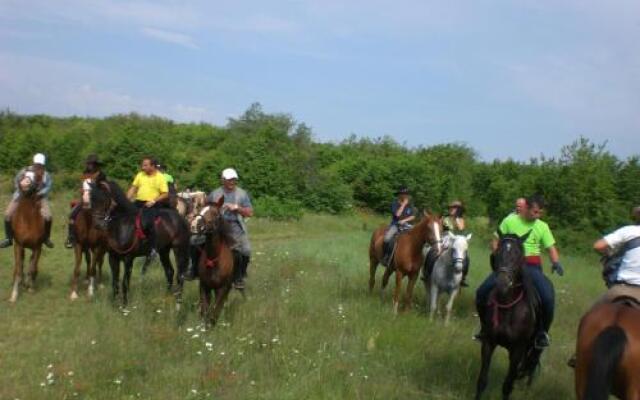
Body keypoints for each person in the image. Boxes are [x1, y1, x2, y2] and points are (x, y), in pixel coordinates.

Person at [475, 194, 564, 348]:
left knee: (548, 296)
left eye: (540, 213)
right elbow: (496, 239)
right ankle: (484, 329)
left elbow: (551, 248)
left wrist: (556, 262)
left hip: (531, 265)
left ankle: (542, 333)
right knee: (482, 291)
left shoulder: (542, 226)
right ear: (527, 208)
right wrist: (498, 255)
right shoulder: (510, 221)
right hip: (508, 264)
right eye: (535, 212)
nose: (538, 215)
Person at [197, 168, 253, 289]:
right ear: (223, 180)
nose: (232, 182)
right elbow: (205, 208)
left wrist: (237, 208)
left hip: (234, 225)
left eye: (234, 179)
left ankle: (239, 276)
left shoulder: (242, 194)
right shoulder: (215, 193)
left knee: (246, 250)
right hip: (215, 226)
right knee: (194, 242)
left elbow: (249, 212)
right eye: (229, 180)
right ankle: (194, 270)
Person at [0, 153, 54, 249]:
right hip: (21, 196)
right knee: (8, 214)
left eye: (40, 164)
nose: (38, 166)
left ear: (43, 164)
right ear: (33, 162)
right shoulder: (24, 171)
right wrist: (21, 189)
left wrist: (40, 193)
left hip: (39, 197)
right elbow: (16, 181)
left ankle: (46, 238)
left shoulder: (46, 175)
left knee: (48, 216)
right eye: (37, 164)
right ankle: (8, 238)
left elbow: (48, 186)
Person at [592, 206, 640, 305]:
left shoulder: (628, 230)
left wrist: (610, 254)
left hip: (621, 287)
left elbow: (598, 246)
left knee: (595, 312)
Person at [126, 156, 169, 255]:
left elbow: (165, 194)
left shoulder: (160, 177)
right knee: (124, 216)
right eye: (142, 165)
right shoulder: (140, 175)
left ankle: (153, 248)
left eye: (145, 165)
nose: (142, 167)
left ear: (153, 166)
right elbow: (133, 188)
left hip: (153, 204)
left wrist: (153, 201)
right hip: (138, 202)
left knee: (148, 222)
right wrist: (126, 200)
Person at [65, 154, 107, 248]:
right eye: (88, 164)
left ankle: (106, 238)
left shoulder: (101, 175)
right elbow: (82, 186)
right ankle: (71, 237)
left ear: (95, 165)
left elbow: (103, 188)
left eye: (91, 164)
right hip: (84, 199)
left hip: (97, 201)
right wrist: (82, 192)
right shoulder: (84, 174)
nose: (89, 166)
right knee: (72, 215)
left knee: (105, 217)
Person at [381, 187, 415, 266]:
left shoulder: (410, 205)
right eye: (404, 194)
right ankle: (386, 256)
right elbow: (397, 214)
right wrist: (403, 204)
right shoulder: (394, 203)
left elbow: (413, 216)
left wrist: (404, 220)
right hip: (395, 225)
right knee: (387, 238)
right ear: (400, 195)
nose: (406, 196)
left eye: (407, 194)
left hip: (407, 225)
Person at [444, 200, 470, 286]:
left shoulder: (461, 220)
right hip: (444, 239)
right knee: (433, 252)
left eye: (454, 208)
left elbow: (461, 230)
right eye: (451, 208)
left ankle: (462, 277)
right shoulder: (445, 218)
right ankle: (427, 272)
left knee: (466, 258)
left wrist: (457, 220)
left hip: (456, 240)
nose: (451, 209)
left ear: (458, 210)